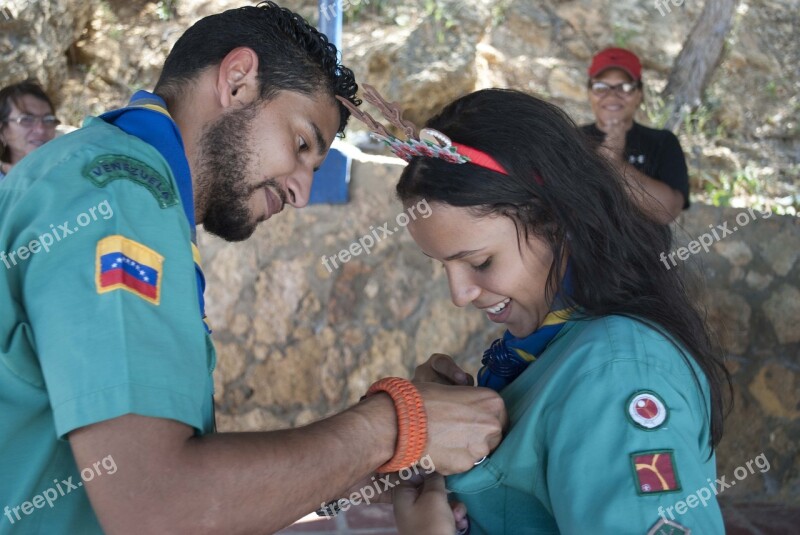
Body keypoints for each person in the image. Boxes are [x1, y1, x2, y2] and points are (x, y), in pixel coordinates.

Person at [0, 3, 506, 533]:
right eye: (302, 143)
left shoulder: (110, 179)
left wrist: (360, 465)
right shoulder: (121, 194)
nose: (301, 193)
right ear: (238, 81)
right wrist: (396, 426)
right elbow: (157, 505)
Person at [364, 88, 729, 533]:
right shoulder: (550, 349)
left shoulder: (620, 375)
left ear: (558, 224)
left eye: (480, 262)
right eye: (444, 266)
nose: (459, 294)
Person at [580, 47, 689, 224]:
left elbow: (668, 211)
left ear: (639, 94)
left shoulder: (662, 142)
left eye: (624, 87)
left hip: (644, 252)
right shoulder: (569, 140)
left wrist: (615, 163)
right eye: (601, 87)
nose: (612, 95)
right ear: (589, 92)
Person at [0, 80, 59, 180]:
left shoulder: (68, 175)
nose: (41, 129)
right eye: (26, 119)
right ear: (2, 130)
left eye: (48, 120)